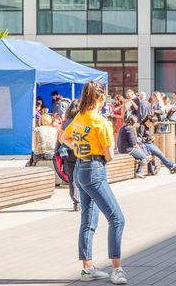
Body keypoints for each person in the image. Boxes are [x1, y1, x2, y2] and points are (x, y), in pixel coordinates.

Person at [58, 81, 128, 285]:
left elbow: (63, 137)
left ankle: (88, 268)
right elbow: (110, 156)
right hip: (95, 169)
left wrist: (79, 149)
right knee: (117, 219)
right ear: (100, 97)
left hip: (80, 167)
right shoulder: (101, 122)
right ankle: (117, 269)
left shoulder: (80, 117)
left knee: (88, 220)